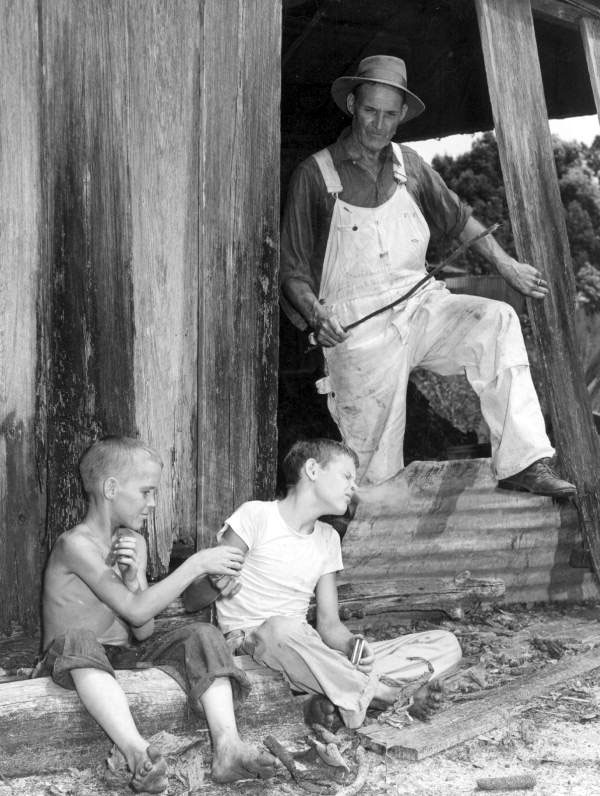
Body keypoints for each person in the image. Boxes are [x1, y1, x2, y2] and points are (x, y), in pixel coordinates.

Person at [280, 54, 576, 499]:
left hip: (421, 306)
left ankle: (524, 462)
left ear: (401, 116)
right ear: (352, 106)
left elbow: (459, 220)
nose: (378, 124)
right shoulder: (315, 175)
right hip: (356, 329)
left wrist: (507, 265)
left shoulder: (411, 166)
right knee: (372, 477)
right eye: (369, 111)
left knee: (496, 322)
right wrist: (315, 313)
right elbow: (292, 270)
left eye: (389, 114)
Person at [40, 436, 276, 794]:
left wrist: (135, 577)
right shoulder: (75, 545)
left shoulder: (131, 540)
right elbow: (136, 610)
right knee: (80, 638)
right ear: (111, 488)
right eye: (146, 491)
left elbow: (143, 627)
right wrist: (195, 564)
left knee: (201, 633)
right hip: (70, 659)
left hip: (120, 658)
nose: (153, 502)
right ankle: (138, 753)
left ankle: (227, 747)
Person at [205, 438, 462, 730]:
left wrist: (352, 645)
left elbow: (328, 625)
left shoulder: (328, 538)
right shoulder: (255, 516)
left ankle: (332, 694)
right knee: (282, 628)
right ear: (313, 469)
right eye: (347, 476)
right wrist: (214, 579)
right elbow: (198, 594)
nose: (353, 487)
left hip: (310, 649)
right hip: (256, 646)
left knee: (445, 644)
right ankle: (386, 696)